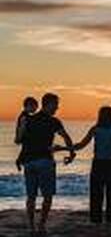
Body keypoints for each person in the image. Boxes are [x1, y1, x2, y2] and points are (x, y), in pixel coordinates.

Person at [19, 93, 76, 235]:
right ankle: (41, 225)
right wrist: (71, 154)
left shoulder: (29, 119)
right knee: (48, 196)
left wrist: (21, 159)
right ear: (48, 104)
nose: (57, 107)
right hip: (44, 162)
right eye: (56, 104)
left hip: (29, 162)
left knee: (31, 196)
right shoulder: (54, 121)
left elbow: (21, 140)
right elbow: (66, 137)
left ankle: (32, 226)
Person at [70, 106, 111, 224]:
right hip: (110, 164)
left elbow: (81, 145)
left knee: (96, 194)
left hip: (98, 164)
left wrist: (66, 148)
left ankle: (96, 220)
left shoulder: (95, 129)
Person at [15, 96, 39, 171]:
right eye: (34, 107)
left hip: (25, 135)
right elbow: (21, 128)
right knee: (26, 148)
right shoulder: (24, 117)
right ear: (28, 106)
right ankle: (19, 161)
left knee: (25, 148)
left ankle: (19, 161)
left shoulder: (25, 116)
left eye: (36, 107)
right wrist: (18, 138)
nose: (35, 109)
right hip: (25, 135)